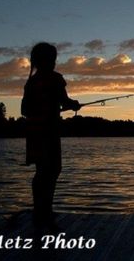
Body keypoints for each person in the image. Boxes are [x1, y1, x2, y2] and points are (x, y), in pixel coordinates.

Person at [21, 42, 81, 227]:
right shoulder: (56, 79)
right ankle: (46, 209)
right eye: (53, 58)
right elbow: (65, 101)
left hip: (34, 133)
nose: (54, 62)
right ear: (48, 60)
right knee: (53, 169)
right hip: (50, 133)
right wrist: (74, 105)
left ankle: (39, 209)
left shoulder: (31, 82)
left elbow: (24, 109)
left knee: (41, 171)